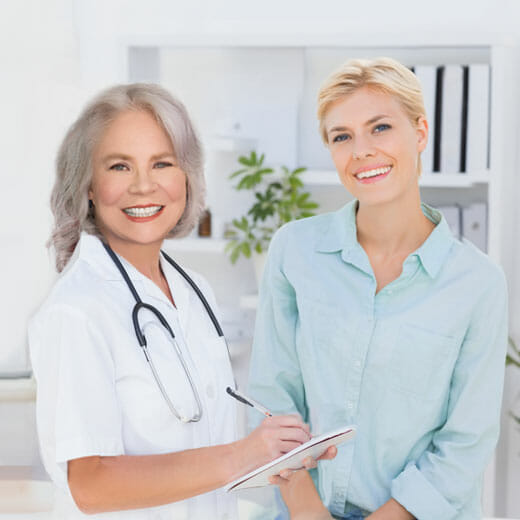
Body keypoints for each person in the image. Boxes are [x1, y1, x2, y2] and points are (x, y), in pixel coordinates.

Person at [28, 83, 316, 519]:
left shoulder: (192, 289)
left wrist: (271, 458)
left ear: (186, 176)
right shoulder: (77, 311)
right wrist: (239, 455)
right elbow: (90, 485)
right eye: (119, 166)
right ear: (87, 185)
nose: (144, 186)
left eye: (162, 163)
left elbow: (198, 452)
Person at [248, 57, 508, 520]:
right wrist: (307, 508)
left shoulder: (478, 284)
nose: (361, 150)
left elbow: (465, 441)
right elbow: (274, 401)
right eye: (341, 136)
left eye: (380, 127)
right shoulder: (295, 251)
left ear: (421, 132)